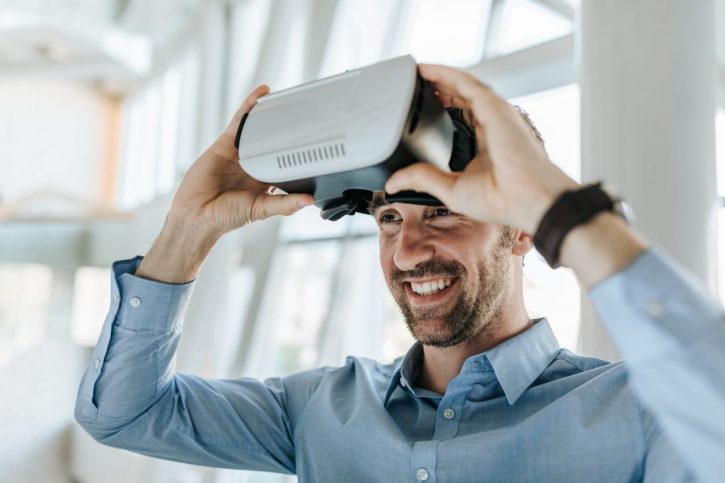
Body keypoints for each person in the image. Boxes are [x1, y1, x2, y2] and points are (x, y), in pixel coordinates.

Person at [75, 65, 725, 483]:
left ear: (521, 230)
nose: (408, 250)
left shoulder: (634, 414)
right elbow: (124, 414)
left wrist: (567, 213)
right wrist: (188, 228)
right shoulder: (316, 409)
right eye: (388, 219)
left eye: (441, 213)